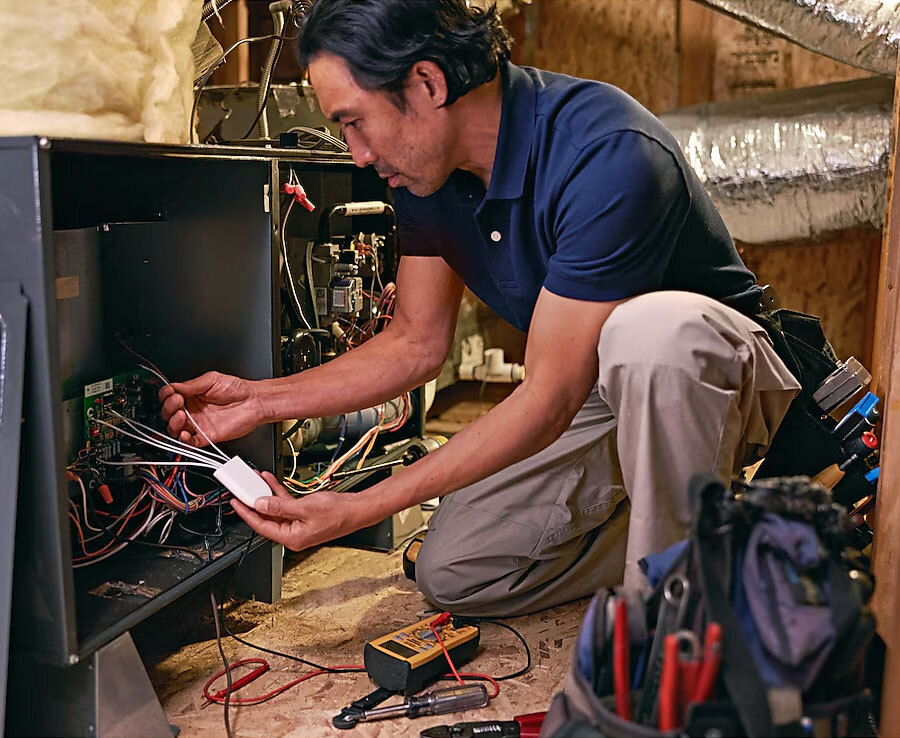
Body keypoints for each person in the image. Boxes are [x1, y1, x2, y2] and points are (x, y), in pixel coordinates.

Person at [161, 0, 800, 617]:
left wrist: (358, 508)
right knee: (457, 569)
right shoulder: (426, 174)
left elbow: (547, 399)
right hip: (601, 390)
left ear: (427, 84)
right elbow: (415, 342)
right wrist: (259, 401)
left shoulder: (607, 151)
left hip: (712, 379)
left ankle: (669, 613)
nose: (355, 152)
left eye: (354, 121)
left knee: (648, 333)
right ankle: (720, 521)